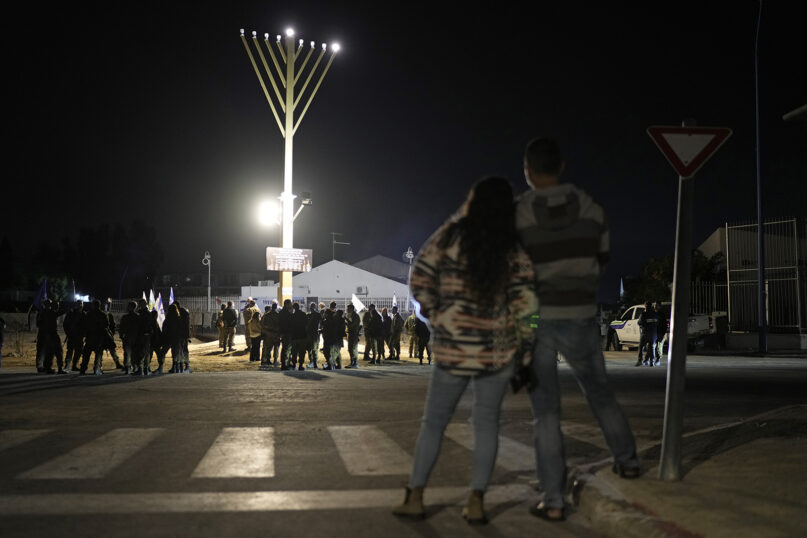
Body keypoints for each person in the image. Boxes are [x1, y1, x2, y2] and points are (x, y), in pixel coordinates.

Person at [392, 177, 538, 524]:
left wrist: (437, 317)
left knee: (434, 424)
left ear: (472, 202)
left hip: (452, 350)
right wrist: (526, 346)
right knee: (486, 425)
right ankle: (476, 502)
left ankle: (415, 497)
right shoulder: (514, 249)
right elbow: (528, 307)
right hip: (496, 353)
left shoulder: (450, 237)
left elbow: (420, 280)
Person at [515, 137, 640, 522]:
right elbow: (601, 261)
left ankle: (553, 500)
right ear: (562, 166)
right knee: (600, 393)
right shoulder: (591, 208)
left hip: (538, 321)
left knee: (546, 413)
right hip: (582, 315)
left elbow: (516, 275)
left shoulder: (518, 213)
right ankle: (628, 461)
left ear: (528, 171)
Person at [80, 299, 109, 375]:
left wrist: (85, 334)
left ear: (93, 305)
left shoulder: (89, 314)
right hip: (99, 337)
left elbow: (84, 325)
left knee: (86, 354)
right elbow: (106, 325)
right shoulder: (103, 314)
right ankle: (97, 369)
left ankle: (83, 369)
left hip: (90, 337)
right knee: (98, 354)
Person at [63, 300, 85, 372]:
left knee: (78, 351)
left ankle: (74, 365)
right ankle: (67, 366)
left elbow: (86, 325)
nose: (80, 305)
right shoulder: (71, 313)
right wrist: (68, 332)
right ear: (76, 305)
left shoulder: (83, 314)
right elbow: (65, 324)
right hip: (72, 335)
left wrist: (84, 334)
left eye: (81, 304)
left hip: (79, 336)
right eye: (79, 304)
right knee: (70, 351)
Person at [119, 301, 139, 374]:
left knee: (127, 353)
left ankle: (128, 367)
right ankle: (134, 366)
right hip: (135, 338)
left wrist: (121, 335)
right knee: (134, 353)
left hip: (128, 337)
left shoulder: (125, 317)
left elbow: (121, 328)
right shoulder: (137, 317)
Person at [637, 301, 659, 367]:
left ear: (645, 306)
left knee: (641, 347)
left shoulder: (643, 314)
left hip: (645, 333)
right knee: (651, 347)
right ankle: (651, 362)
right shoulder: (655, 313)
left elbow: (639, 322)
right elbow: (658, 322)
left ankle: (640, 360)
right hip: (653, 333)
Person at [261, 302, 281, 367]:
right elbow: (280, 325)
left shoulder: (266, 315)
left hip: (268, 334)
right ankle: (275, 360)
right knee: (276, 348)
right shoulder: (278, 315)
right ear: (276, 307)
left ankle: (268, 360)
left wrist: (266, 332)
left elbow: (263, 325)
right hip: (276, 334)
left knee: (268, 348)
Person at [289, 302, 308, 370]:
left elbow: (290, 326)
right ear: (299, 307)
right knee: (302, 352)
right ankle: (300, 365)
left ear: (293, 308)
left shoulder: (292, 316)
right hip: (302, 336)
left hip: (294, 336)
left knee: (294, 352)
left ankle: (294, 365)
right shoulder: (303, 314)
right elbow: (306, 325)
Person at [344, 304, 361, 368]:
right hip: (350, 334)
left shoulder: (355, 316)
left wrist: (346, 320)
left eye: (348, 308)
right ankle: (352, 362)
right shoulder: (351, 315)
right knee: (350, 349)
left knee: (353, 349)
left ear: (352, 309)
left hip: (353, 334)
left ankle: (355, 363)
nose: (347, 310)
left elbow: (351, 325)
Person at [278, 299, 294, 369]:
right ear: (287, 304)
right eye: (290, 303)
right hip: (286, 333)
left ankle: (286, 362)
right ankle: (284, 364)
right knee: (286, 348)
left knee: (287, 348)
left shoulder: (283, 312)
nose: (291, 305)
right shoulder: (285, 313)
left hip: (285, 332)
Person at [305, 303, 320, 368]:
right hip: (309, 334)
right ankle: (311, 362)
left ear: (315, 307)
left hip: (315, 334)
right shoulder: (308, 315)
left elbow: (320, 323)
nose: (311, 308)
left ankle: (315, 362)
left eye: (313, 306)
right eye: (311, 306)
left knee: (314, 349)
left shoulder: (318, 315)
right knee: (309, 349)